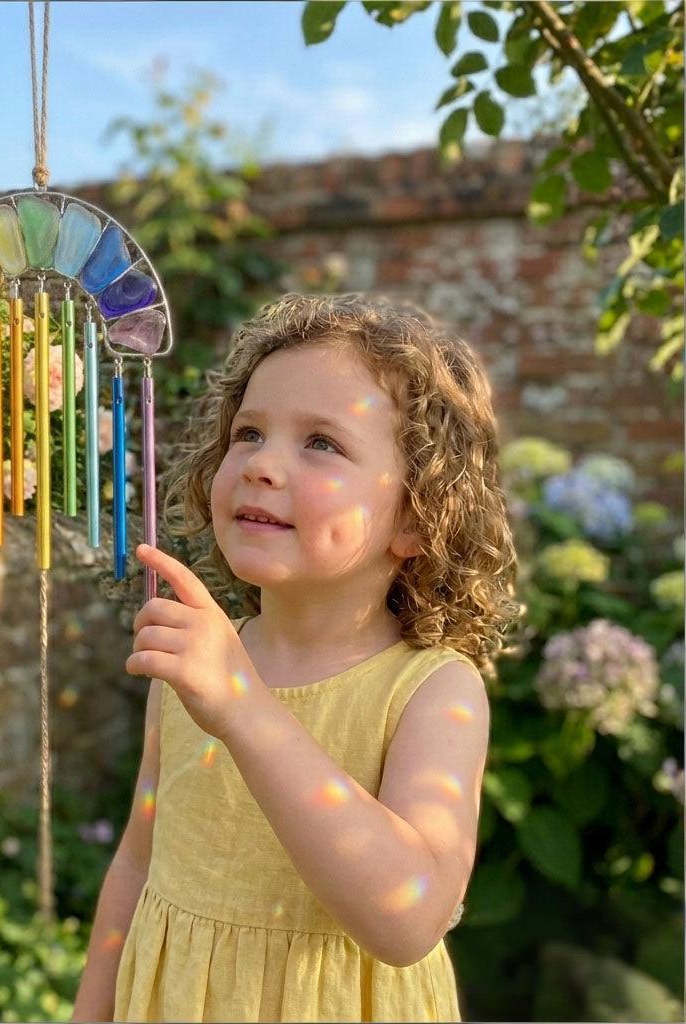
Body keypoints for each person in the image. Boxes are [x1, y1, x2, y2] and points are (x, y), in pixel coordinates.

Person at [70, 293, 523, 1023]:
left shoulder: (434, 692)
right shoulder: (198, 666)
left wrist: (244, 710)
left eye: (322, 443)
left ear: (416, 516)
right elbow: (137, 861)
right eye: (248, 433)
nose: (261, 465)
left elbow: (408, 918)